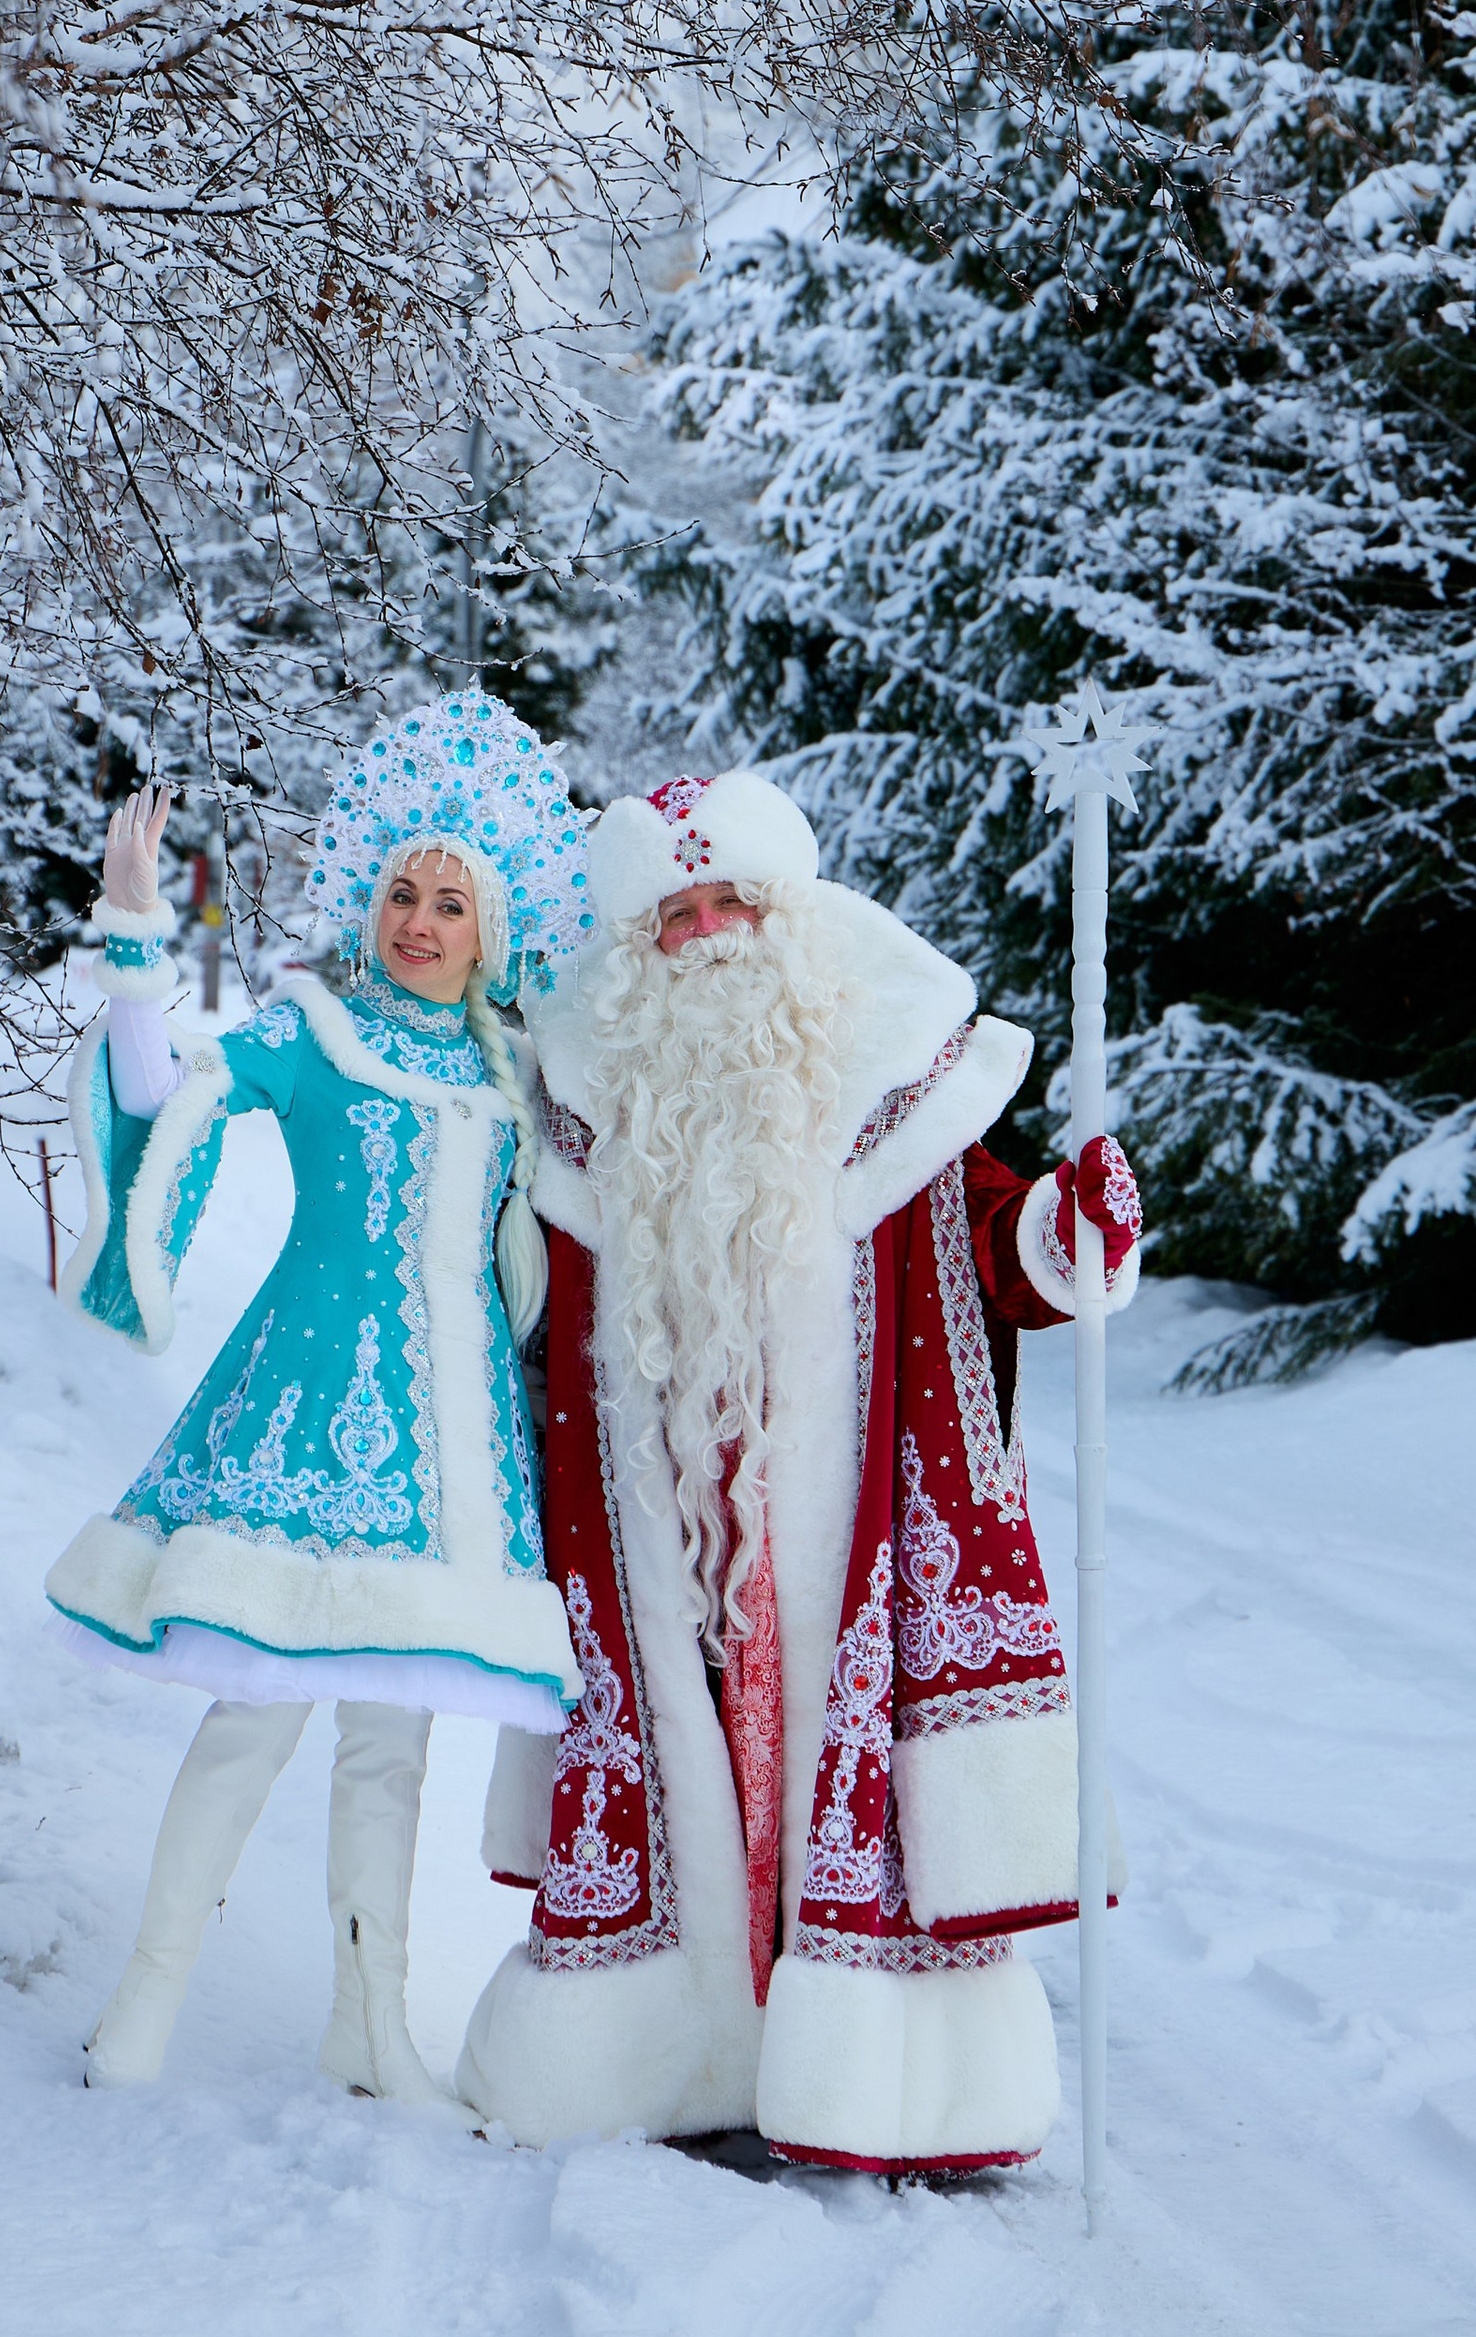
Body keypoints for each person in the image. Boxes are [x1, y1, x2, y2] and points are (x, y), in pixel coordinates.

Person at [455, 768, 1142, 2177]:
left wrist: (1072, 1232)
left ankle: (871, 2077)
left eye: (732, 904)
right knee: (677, 1774)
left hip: (840, 1523)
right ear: (636, 951)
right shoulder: (577, 1105)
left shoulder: (890, 1067)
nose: (708, 934)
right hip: (656, 1534)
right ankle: (675, 2047)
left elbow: (1003, 1248)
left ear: (790, 913)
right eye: (676, 914)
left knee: (828, 1768)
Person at [46, 692, 595, 2101]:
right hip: (299, 1422)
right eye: (402, 893)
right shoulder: (317, 1030)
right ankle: (143, 2009)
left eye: (450, 904)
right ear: (369, 899)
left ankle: (371, 2028)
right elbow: (170, 1091)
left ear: (494, 928)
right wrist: (131, 938)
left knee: (390, 1743)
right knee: (251, 1716)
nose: (419, 922)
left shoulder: (513, 1076)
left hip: (448, 1448)